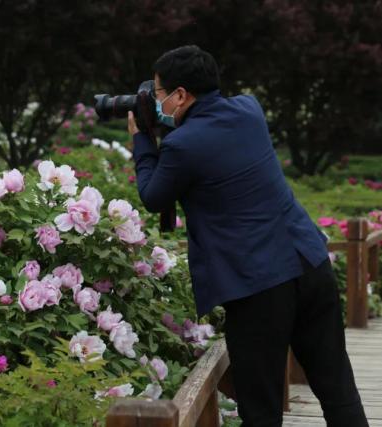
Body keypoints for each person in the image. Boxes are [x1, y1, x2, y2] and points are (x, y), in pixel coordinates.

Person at [128, 45, 369, 427]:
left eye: (157, 93)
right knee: (337, 389)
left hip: (258, 286)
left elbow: (153, 195)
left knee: (261, 409)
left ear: (179, 95)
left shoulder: (181, 144)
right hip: (309, 261)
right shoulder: (249, 110)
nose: (154, 101)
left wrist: (143, 138)